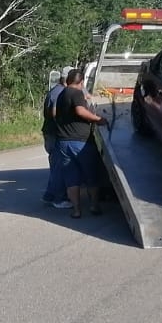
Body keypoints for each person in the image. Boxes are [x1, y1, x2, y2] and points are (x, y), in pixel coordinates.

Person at [52, 67, 110, 218]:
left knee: (71, 178)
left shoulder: (61, 94)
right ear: (81, 82)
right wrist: (98, 119)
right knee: (91, 175)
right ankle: (94, 206)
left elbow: (56, 113)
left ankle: (76, 211)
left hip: (63, 142)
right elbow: (80, 111)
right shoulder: (77, 93)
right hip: (81, 142)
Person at [41, 69, 67, 208]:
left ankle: (49, 195)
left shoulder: (55, 90)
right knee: (59, 166)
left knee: (56, 166)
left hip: (50, 132)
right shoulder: (59, 93)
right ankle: (59, 199)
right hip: (54, 133)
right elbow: (55, 114)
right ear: (65, 79)